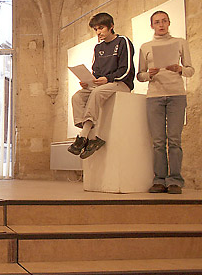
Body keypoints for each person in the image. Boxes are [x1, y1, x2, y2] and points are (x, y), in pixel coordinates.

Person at [137, 11, 195, 194]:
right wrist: (149, 75)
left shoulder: (179, 42)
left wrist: (180, 69)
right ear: (151, 25)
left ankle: (175, 180)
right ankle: (159, 179)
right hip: (154, 96)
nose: (161, 25)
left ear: (169, 22)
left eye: (163, 21)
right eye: (157, 22)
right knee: (158, 141)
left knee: (175, 139)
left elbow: (190, 70)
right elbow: (140, 75)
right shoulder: (146, 47)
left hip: (176, 95)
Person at [68, 12, 135, 159]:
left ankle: (83, 137)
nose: (99, 32)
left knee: (97, 93)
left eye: (101, 28)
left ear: (111, 26)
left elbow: (127, 69)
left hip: (121, 83)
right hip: (102, 84)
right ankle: (92, 138)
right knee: (77, 97)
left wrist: (108, 79)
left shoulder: (123, 41)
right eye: (96, 29)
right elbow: (96, 72)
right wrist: (88, 82)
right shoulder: (98, 48)